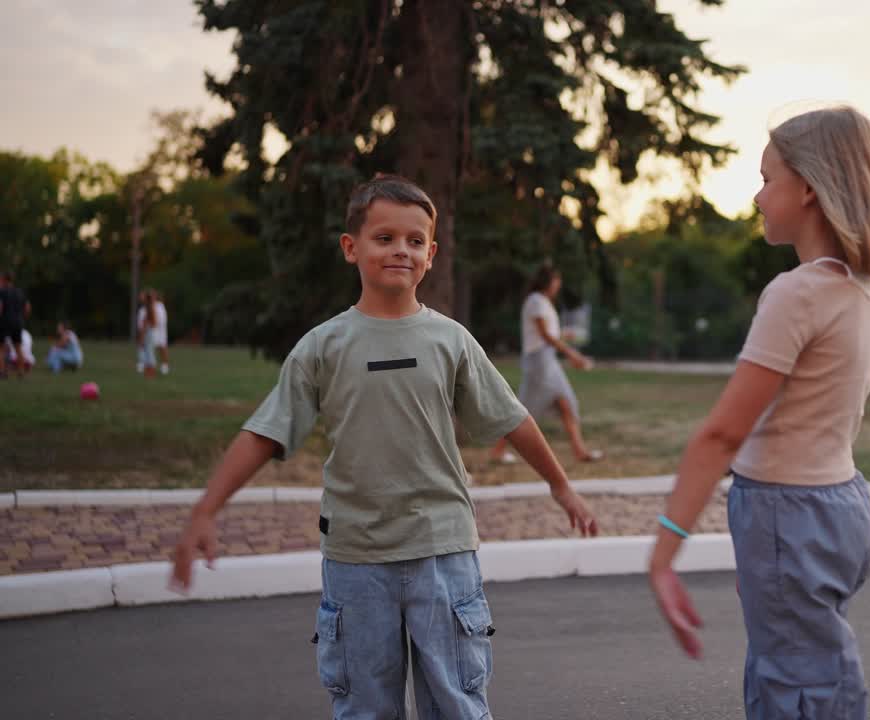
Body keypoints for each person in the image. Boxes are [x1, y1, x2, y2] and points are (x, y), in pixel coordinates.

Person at [169, 175, 599, 719]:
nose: (401, 249)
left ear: (432, 254)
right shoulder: (323, 347)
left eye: (415, 241)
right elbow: (265, 432)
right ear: (351, 247)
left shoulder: (451, 340)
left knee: (458, 705)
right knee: (365, 710)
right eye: (385, 237)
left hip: (443, 554)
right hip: (356, 561)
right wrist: (207, 510)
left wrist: (562, 487)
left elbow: (512, 418)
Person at [647, 104, 870, 720]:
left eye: (768, 178)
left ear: (811, 188)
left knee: (796, 688)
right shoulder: (859, 290)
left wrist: (664, 554)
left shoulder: (797, 292)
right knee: (806, 665)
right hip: (837, 505)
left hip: (787, 511)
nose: (757, 195)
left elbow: (721, 434)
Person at [489, 262, 603, 465]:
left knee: (567, 403)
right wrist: (571, 354)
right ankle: (498, 451)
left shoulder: (543, 302)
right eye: (557, 280)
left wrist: (565, 338)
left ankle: (580, 451)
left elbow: (549, 334)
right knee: (522, 411)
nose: (558, 284)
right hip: (539, 362)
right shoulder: (536, 301)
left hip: (547, 360)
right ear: (548, 281)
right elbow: (544, 335)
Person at [0, 271, 32, 379]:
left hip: (4, 322)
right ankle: (21, 372)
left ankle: (3, 372)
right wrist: (22, 318)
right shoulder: (19, 292)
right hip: (18, 322)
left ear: (3, 280)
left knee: (2, 348)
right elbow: (27, 307)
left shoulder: (2, 291)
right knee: (18, 347)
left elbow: (0, 308)